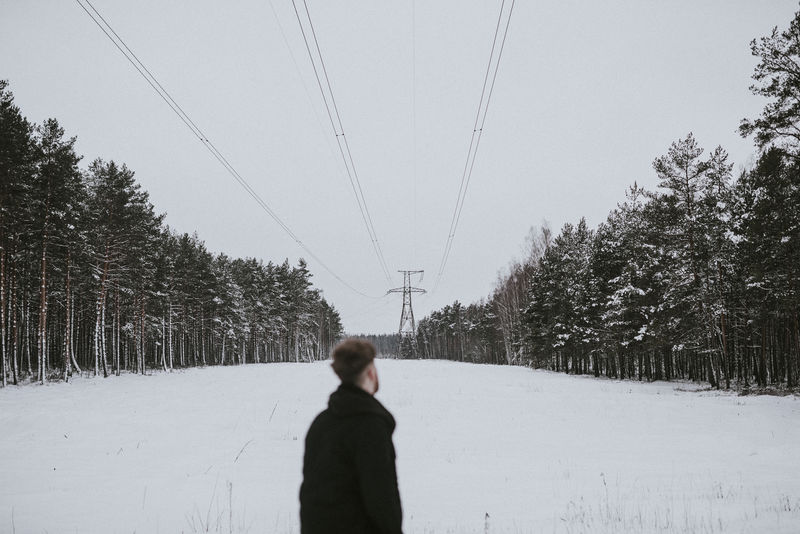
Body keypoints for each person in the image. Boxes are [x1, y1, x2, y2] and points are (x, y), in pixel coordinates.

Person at [299, 338, 403, 534]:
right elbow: (382, 500)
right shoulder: (370, 426)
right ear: (371, 372)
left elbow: (311, 496)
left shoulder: (321, 423)